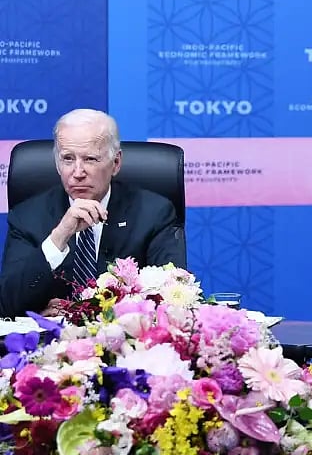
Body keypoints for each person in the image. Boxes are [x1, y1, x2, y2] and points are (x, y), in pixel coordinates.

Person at [0, 109, 186, 317]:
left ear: (115, 163)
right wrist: (59, 237)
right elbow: (7, 304)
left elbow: (172, 298)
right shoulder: (27, 216)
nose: (78, 173)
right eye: (68, 159)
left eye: (90, 159)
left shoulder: (154, 213)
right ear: (57, 164)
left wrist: (82, 312)